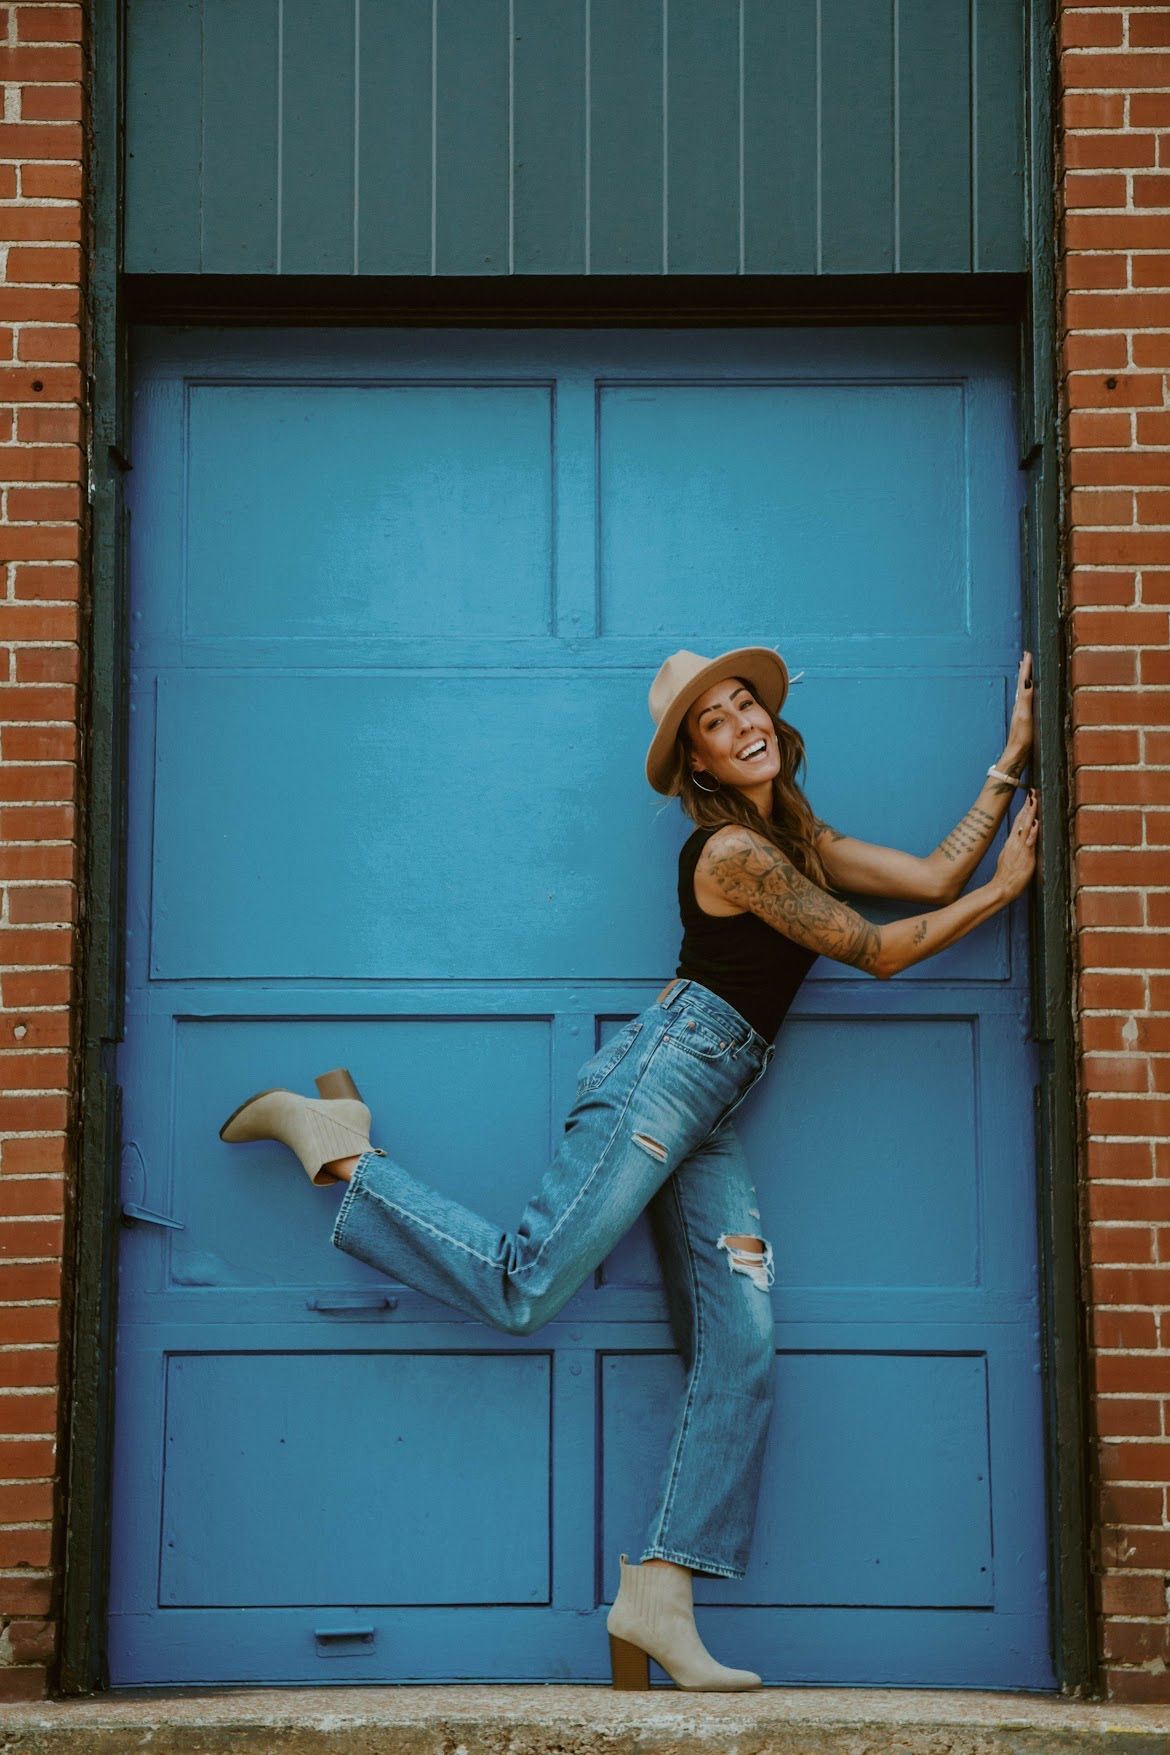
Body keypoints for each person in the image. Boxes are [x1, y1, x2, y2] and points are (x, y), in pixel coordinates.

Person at [219, 643, 1038, 1691]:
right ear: (697, 762)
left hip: (711, 1101)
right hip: (659, 1082)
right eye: (714, 721)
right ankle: (339, 1150)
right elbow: (879, 950)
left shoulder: (796, 834)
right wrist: (1008, 889)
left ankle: (657, 1592)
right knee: (525, 1287)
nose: (740, 722)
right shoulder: (734, 852)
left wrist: (1007, 763)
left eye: (746, 704)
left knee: (740, 1345)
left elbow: (924, 878)